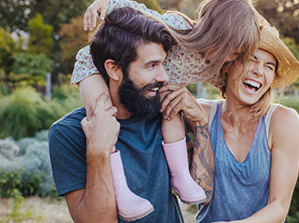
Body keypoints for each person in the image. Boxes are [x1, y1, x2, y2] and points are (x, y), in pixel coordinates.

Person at [73, 0, 262, 219]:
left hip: (153, 87)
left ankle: (180, 175)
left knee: (173, 104)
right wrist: (105, 3)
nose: (230, 58)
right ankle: (120, 189)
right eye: (230, 51)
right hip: (92, 65)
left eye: (237, 54)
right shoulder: (177, 26)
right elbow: (139, 13)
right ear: (214, 33)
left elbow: (235, 84)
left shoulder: (212, 64)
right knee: (101, 113)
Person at [48, 7, 214, 222]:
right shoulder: (68, 133)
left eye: (162, 63)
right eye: (151, 65)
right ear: (114, 70)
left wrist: (199, 121)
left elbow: (205, 192)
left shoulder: (163, 114)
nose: (164, 76)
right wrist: (98, 150)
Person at [161, 24, 299, 222]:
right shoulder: (201, 114)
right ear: (228, 64)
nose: (259, 71)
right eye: (251, 60)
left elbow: (279, 206)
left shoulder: (282, 122)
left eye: (269, 66)